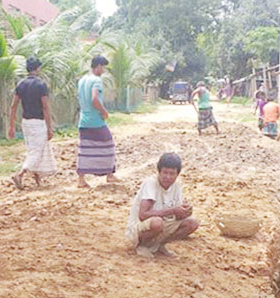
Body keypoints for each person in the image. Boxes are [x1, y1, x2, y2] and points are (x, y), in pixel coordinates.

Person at [125, 153, 199, 258]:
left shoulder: (176, 186)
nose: (168, 177)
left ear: (177, 174)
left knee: (192, 223)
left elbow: (177, 216)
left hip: (163, 224)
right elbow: (143, 215)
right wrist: (172, 210)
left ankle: (159, 245)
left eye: (172, 173)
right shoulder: (151, 184)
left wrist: (185, 211)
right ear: (159, 172)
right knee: (157, 222)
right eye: (165, 173)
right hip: (140, 228)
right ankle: (142, 245)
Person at [8, 57, 57, 189]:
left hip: (26, 122)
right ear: (38, 68)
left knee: (33, 150)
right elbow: (45, 107)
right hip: (38, 122)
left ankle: (37, 180)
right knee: (37, 151)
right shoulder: (41, 85)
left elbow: (13, 106)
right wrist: (49, 127)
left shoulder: (21, 84)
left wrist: (11, 125)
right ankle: (20, 174)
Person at [76, 55, 118, 188]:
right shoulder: (96, 81)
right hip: (95, 121)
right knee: (108, 145)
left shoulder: (82, 80)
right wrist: (103, 111)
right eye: (103, 67)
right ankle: (109, 174)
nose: (104, 71)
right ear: (99, 66)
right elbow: (95, 99)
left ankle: (81, 179)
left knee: (84, 149)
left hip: (83, 120)